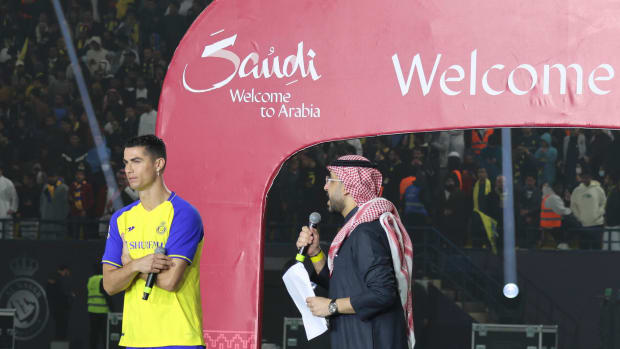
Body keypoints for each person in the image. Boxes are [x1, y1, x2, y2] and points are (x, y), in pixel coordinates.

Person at [296, 155, 414, 349]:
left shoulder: (365, 232)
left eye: (330, 180)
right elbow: (343, 287)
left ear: (347, 186)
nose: (325, 187)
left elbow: (383, 293)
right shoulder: (355, 231)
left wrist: (331, 306)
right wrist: (315, 253)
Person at [101, 135, 205, 348]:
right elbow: (109, 285)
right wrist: (139, 265)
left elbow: (169, 282)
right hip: (134, 339)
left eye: (136, 161)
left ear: (158, 164)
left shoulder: (183, 214)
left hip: (178, 339)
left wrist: (129, 267)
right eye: (126, 162)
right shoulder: (120, 219)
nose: (128, 170)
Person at [570, 164, 606, 249]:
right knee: (583, 250)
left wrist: (599, 213)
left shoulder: (598, 189)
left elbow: (604, 203)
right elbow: (573, 206)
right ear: (581, 178)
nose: (585, 179)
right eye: (583, 177)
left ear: (590, 177)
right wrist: (579, 217)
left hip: (597, 224)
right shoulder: (577, 190)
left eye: (587, 177)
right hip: (582, 225)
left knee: (597, 250)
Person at [47, 264, 74, 341]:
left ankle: (60, 340)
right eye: (67, 272)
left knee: (60, 326)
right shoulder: (56, 278)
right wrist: (69, 295)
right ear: (65, 270)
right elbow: (57, 293)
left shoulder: (56, 278)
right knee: (60, 326)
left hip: (58, 307)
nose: (67, 274)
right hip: (59, 307)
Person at [87, 263, 111, 349]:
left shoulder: (91, 280)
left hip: (92, 311)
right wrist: (112, 308)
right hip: (102, 311)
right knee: (105, 334)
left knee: (93, 333)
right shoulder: (102, 279)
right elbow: (106, 295)